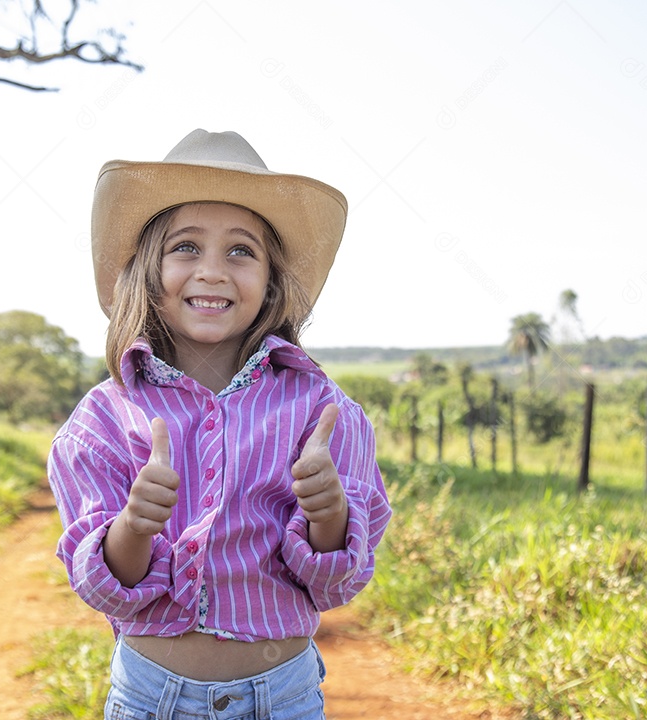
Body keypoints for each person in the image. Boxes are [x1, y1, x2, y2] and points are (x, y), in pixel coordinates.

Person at [47, 129, 392, 719]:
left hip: (283, 698)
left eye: (241, 251)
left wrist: (329, 513)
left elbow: (335, 585)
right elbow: (106, 586)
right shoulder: (103, 419)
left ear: (271, 280)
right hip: (151, 698)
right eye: (185, 247)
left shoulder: (322, 412)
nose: (212, 271)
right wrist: (134, 525)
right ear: (146, 274)